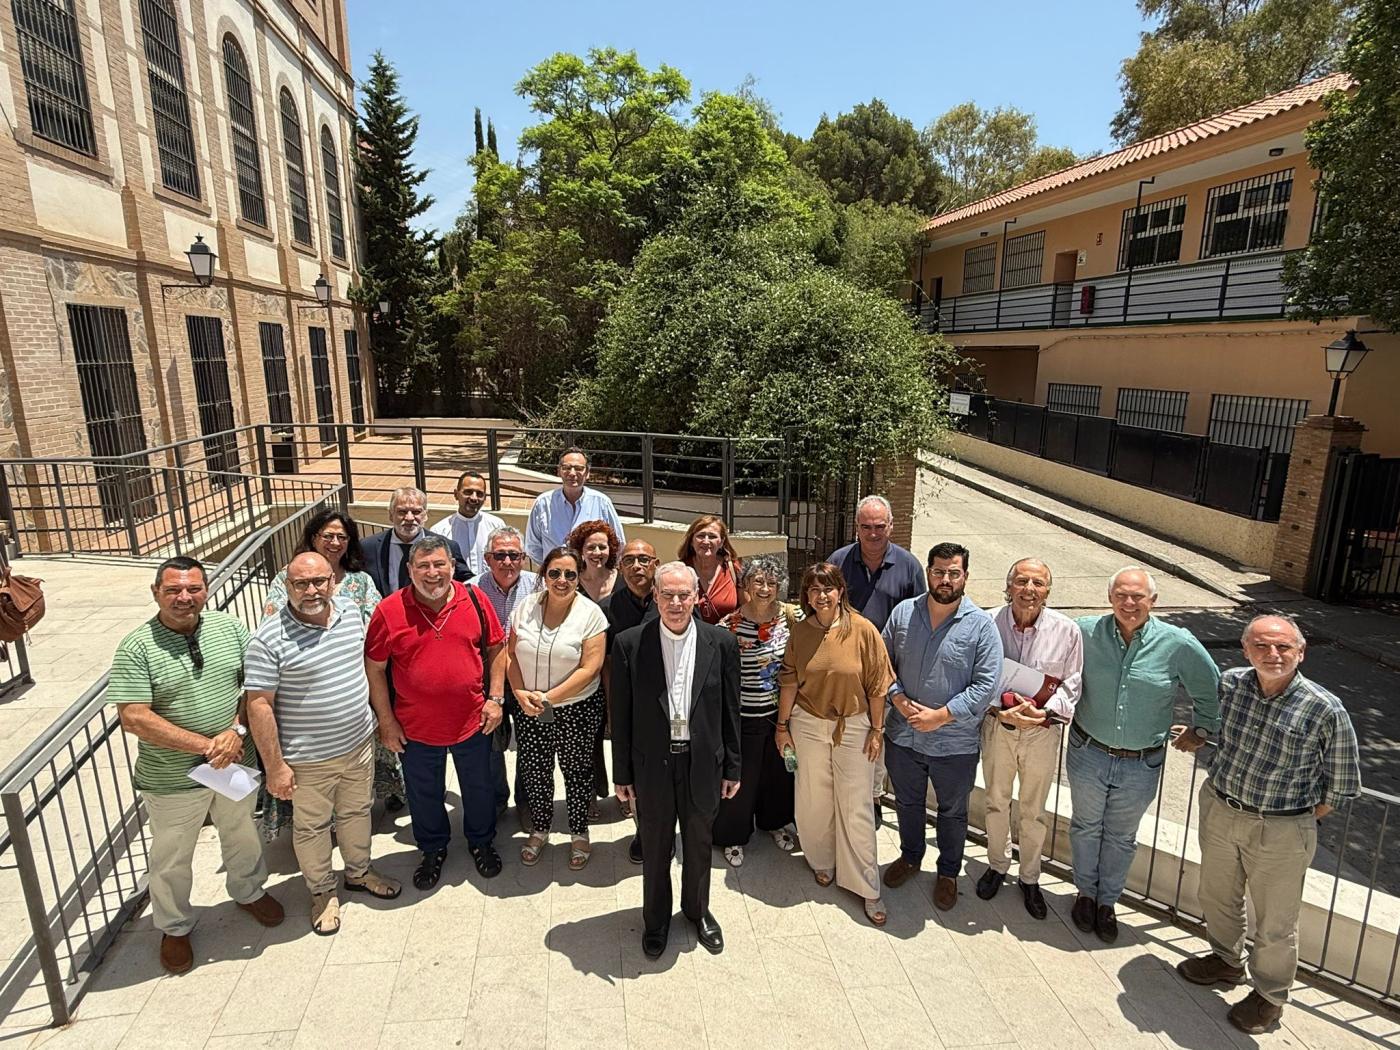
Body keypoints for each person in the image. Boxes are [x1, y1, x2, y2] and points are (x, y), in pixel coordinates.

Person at [1176, 615, 1361, 1035]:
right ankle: (1226, 961)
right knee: (1216, 896)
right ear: (1246, 650)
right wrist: (1196, 733)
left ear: (1301, 653)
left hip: (1281, 828)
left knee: (1276, 922)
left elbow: (1342, 785)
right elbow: (1209, 724)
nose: (1272, 654)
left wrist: (1290, 819)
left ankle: (1270, 997)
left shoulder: (1324, 707)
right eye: (1261, 646)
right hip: (1221, 809)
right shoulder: (1230, 685)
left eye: (1283, 647)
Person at [110, 557, 283, 975]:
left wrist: (236, 732)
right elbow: (134, 717)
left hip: (234, 763)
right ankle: (173, 925)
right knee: (172, 854)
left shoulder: (229, 629)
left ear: (206, 590)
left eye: (193, 589)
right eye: (173, 590)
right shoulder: (136, 647)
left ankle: (248, 891)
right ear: (156, 593)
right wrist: (208, 746)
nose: (184, 598)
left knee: (242, 832)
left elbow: (253, 687)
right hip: (171, 776)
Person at [245, 553, 401, 936]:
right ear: (287, 587)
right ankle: (322, 892)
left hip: (358, 745)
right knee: (312, 828)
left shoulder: (351, 612)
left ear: (333, 581)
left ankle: (359, 872)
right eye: (301, 584)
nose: (311, 591)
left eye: (319, 581)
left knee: (357, 812)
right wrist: (275, 766)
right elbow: (259, 705)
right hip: (307, 760)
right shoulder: (268, 638)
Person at [1069, 566, 1220, 944]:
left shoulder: (1178, 644)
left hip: (1141, 763)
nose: (1129, 603)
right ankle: (1085, 894)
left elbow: (1210, 689)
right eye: (1121, 595)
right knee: (1085, 826)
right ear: (1109, 598)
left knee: (1121, 836)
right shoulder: (1084, 632)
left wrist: (1201, 730)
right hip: (1088, 752)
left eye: (1137, 596)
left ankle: (1107, 903)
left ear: (1153, 601)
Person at [612, 561, 741, 958]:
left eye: (684, 594)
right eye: (667, 594)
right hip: (653, 765)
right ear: (655, 596)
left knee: (700, 844)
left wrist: (733, 765)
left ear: (697, 597)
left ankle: (697, 911)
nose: (676, 603)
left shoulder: (721, 643)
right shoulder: (630, 644)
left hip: (702, 763)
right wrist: (622, 773)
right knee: (655, 846)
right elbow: (621, 714)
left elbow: (730, 711)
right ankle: (656, 920)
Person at [365, 535, 506, 889]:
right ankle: (432, 849)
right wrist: (386, 720)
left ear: (452, 566)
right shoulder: (389, 610)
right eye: (423, 566)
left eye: (439, 564)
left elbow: (497, 648)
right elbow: (375, 668)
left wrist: (495, 698)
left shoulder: (475, 600)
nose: (432, 573)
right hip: (415, 726)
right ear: (410, 569)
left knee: (478, 787)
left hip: (473, 720)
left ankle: (481, 842)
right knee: (423, 793)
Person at [259, 509, 404, 833]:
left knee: (358, 766)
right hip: (304, 688)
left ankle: (354, 821)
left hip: (354, 681)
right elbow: (273, 625)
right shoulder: (287, 578)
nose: (335, 542)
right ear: (313, 538)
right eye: (328, 536)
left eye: (342, 537)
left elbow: (377, 628)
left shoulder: (360, 581)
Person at [881, 543, 1002, 912]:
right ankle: (911, 856)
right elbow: (882, 663)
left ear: (965, 576)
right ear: (928, 573)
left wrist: (942, 715)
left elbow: (986, 684)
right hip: (903, 736)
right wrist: (897, 698)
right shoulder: (904, 613)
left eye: (953, 573)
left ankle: (948, 872)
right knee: (907, 802)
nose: (945, 579)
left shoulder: (981, 626)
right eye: (939, 571)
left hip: (954, 745)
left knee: (952, 812)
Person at [776, 562, 893, 927]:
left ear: (840, 591)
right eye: (814, 589)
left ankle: (866, 884)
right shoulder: (800, 632)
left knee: (856, 805)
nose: (821, 595)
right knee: (813, 796)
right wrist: (782, 727)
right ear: (806, 596)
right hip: (808, 723)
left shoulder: (863, 630)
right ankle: (821, 859)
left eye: (828, 588)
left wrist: (877, 730)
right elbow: (789, 681)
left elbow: (877, 685)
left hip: (854, 725)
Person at [977, 558, 1082, 919]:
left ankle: (1030, 877)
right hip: (998, 727)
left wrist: (1045, 713)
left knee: (1033, 809)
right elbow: (976, 672)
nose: (1029, 590)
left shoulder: (1067, 631)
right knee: (996, 800)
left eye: (1038, 583)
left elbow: (1072, 683)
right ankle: (996, 864)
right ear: (1009, 586)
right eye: (1021, 581)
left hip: (1041, 732)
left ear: (1048, 591)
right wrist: (997, 709)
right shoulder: (987, 622)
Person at [508, 546, 609, 870]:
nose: (561, 580)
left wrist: (549, 697)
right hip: (529, 708)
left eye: (570, 574)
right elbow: (510, 655)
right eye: (554, 573)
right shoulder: (525, 607)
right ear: (543, 575)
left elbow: (590, 668)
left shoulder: (591, 614)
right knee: (535, 772)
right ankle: (540, 829)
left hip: (576, 709)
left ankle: (579, 832)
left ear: (579, 577)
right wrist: (520, 693)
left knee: (577, 772)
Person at [713, 555, 799, 867]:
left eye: (772, 582)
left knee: (778, 775)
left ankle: (774, 822)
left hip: (782, 715)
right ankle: (732, 834)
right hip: (743, 715)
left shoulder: (792, 618)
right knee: (741, 778)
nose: (765, 588)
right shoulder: (728, 626)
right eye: (758, 581)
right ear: (746, 584)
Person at [600, 539, 661, 865]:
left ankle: (665, 830)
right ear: (620, 567)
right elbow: (607, 665)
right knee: (636, 775)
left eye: (644, 559)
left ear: (656, 564)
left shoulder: (672, 601)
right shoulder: (607, 608)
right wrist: (614, 710)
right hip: (630, 706)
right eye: (629, 561)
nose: (637, 566)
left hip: (669, 704)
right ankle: (643, 832)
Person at [476, 526, 537, 826]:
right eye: (500, 555)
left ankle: (526, 803)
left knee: (530, 744)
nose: (507, 562)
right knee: (490, 745)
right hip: (487, 681)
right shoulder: (471, 590)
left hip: (528, 678)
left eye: (514, 555)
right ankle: (498, 799)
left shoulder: (539, 586)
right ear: (487, 558)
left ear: (523, 558)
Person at [826, 495, 925, 632]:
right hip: (845, 643)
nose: (873, 534)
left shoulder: (910, 567)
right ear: (857, 527)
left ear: (891, 525)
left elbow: (919, 616)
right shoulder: (837, 563)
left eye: (879, 527)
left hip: (890, 645)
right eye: (866, 527)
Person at [362, 486, 471, 598]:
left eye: (416, 512)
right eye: (402, 512)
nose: (409, 518)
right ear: (390, 514)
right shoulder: (368, 548)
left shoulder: (448, 547)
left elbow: (467, 583)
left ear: (425, 515)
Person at [524, 447, 626, 564]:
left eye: (578, 468)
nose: (572, 473)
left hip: (592, 573)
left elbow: (618, 543)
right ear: (559, 471)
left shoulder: (602, 503)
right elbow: (532, 547)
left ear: (587, 473)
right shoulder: (543, 504)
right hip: (555, 574)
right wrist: (551, 568)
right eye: (566, 468)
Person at [431, 470, 506, 577]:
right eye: (468, 492)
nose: (474, 498)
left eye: (479, 494)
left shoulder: (497, 526)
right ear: (456, 494)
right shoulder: (439, 531)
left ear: (485, 497)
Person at [679, 515, 742, 625]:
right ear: (691, 541)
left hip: (725, 634)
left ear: (721, 542)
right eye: (701, 536)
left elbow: (747, 607)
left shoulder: (734, 568)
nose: (706, 541)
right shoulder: (680, 570)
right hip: (691, 634)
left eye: (712, 536)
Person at [567, 518, 621, 603]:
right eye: (591, 547)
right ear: (581, 550)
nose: (597, 552)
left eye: (602, 547)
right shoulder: (571, 583)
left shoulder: (623, 579)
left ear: (610, 549)